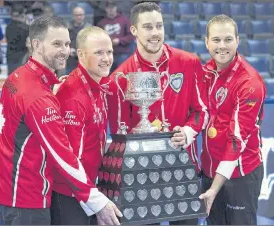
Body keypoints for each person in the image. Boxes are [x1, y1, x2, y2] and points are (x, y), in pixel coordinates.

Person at [0, 15, 122, 225]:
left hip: (8, 190)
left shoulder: (18, 77)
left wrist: (52, 91)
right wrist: (98, 202)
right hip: (26, 198)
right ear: (37, 45)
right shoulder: (39, 98)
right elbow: (63, 156)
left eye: (67, 43)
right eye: (57, 44)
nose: (65, 50)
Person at [107, 2, 209, 224]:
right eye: (148, 27)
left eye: (159, 26)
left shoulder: (188, 63)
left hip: (184, 170)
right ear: (133, 30)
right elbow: (120, 134)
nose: (155, 33)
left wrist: (189, 132)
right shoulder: (121, 78)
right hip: (141, 179)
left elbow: (202, 111)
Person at [199, 14, 266, 225]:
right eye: (216, 40)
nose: (222, 46)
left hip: (241, 176)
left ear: (238, 41)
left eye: (228, 39)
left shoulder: (249, 82)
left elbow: (236, 141)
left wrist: (214, 188)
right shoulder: (205, 73)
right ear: (207, 42)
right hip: (210, 173)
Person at [50, 26, 114, 225]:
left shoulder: (99, 85)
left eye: (109, 52)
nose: (106, 58)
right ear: (80, 54)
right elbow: (68, 158)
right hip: (69, 193)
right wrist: (94, 201)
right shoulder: (73, 96)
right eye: (99, 53)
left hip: (88, 189)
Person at [97, 1, 134, 73]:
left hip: (122, 53)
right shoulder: (101, 23)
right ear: (106, 9)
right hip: (107, 55)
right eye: (109, 8)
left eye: (112, 7)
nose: (111, 9)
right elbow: (97, 39)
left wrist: (119, 41)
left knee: (123, 75)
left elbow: (131, 36)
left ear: (116, 8)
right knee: (105, 75)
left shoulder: (124, 20)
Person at [66, 6, 91, 74]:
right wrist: (68, 49)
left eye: (80, 15)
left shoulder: (90, 29)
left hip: (85, 62)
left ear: (84, 15)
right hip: (70, 62)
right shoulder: (66, 28)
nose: (79, 17)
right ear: (73, 16)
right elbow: (62, 43)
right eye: (76, 15)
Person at [5, 3, 29, 74]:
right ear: (22, 14)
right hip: (23, 57)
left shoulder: (8, 27)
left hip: (11, 57)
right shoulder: (26, 28)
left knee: (12, 82)